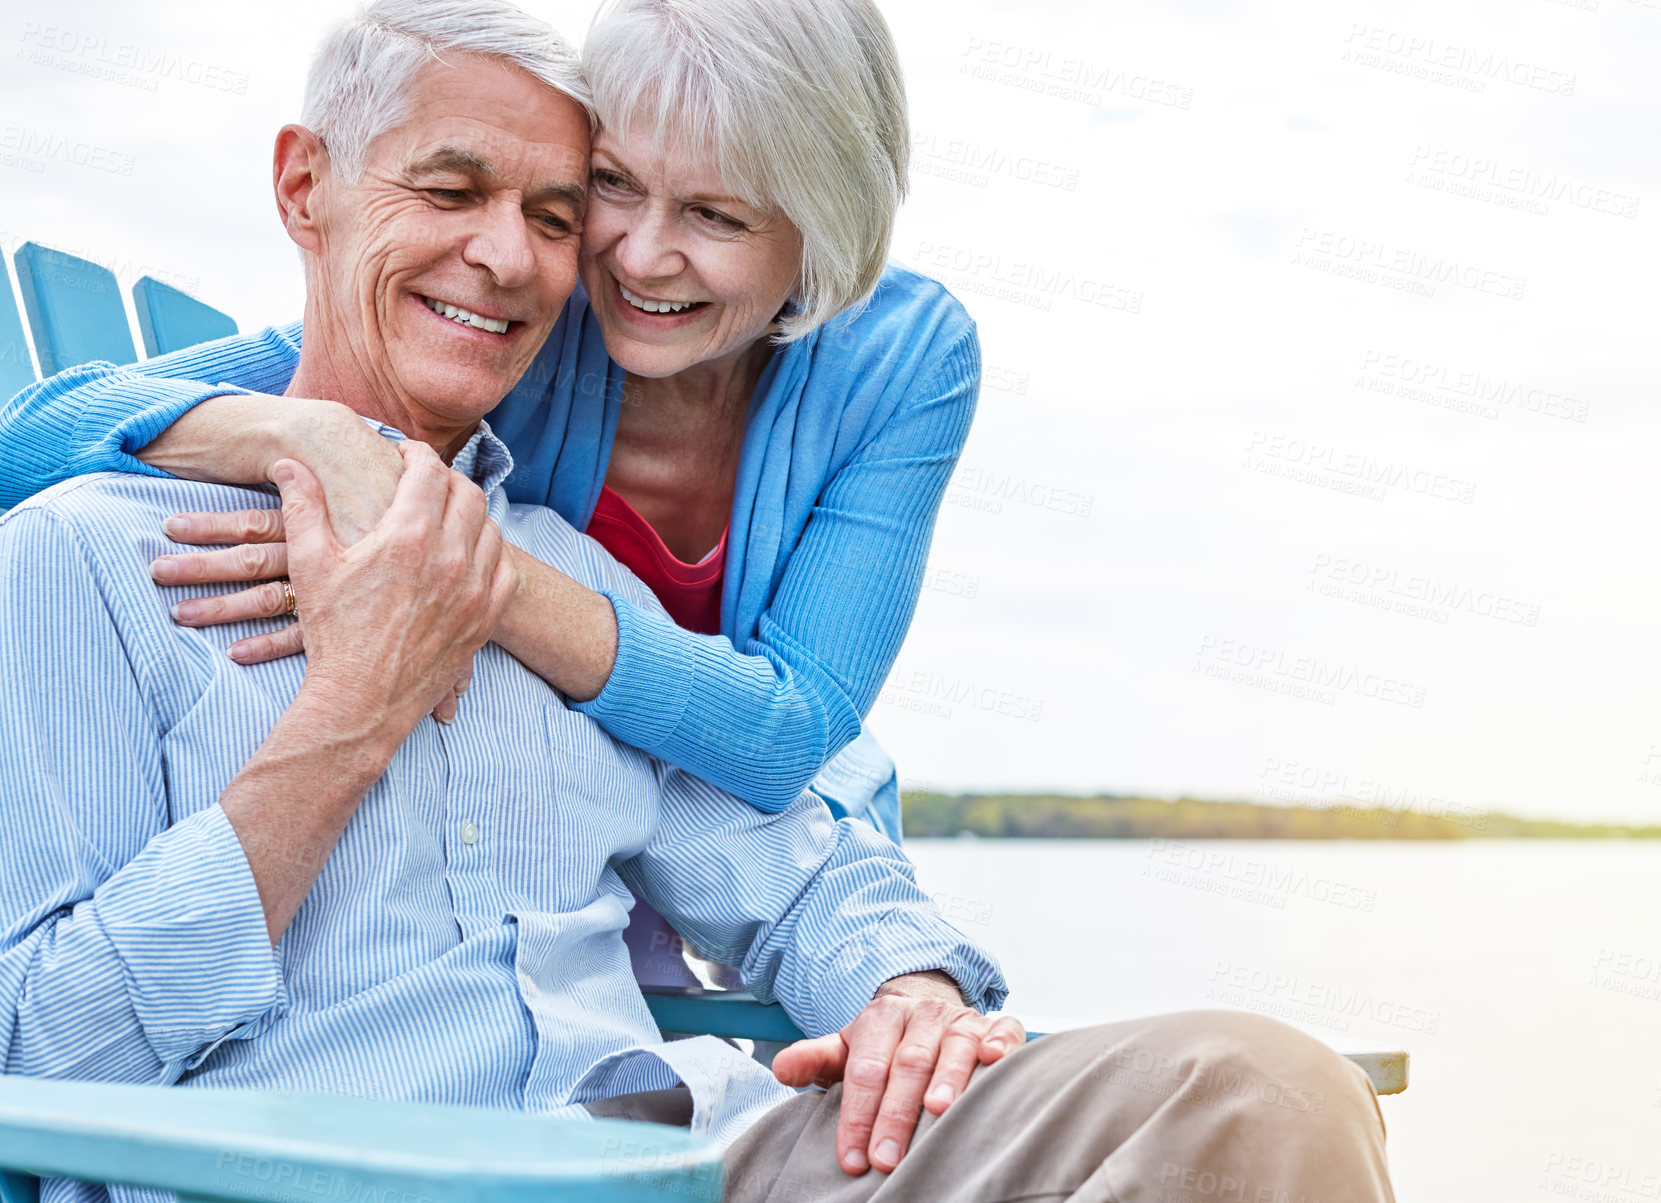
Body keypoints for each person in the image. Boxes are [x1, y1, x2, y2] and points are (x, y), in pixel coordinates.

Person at [0, 6, 1396, 1201]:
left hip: (688, 1153)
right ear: (306, 188)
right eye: (450, 190)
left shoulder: (560, 572)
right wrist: (350, 711)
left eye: (555, 214)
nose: (512, 257)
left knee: (1264, 1089)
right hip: (364, 1168)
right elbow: (44, 1053)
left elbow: (790, 853)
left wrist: (911, 983)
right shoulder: (85, 565)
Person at [0, 0, 972, 853]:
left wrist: (460, 570)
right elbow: (27, 440)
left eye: (714, 215)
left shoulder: (902, 358)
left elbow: (787, 734)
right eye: (614, 185)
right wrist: (303, 437)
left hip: (756, 826)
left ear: (825, 222)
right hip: (536, 800)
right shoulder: (521, 305)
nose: (639, 257)